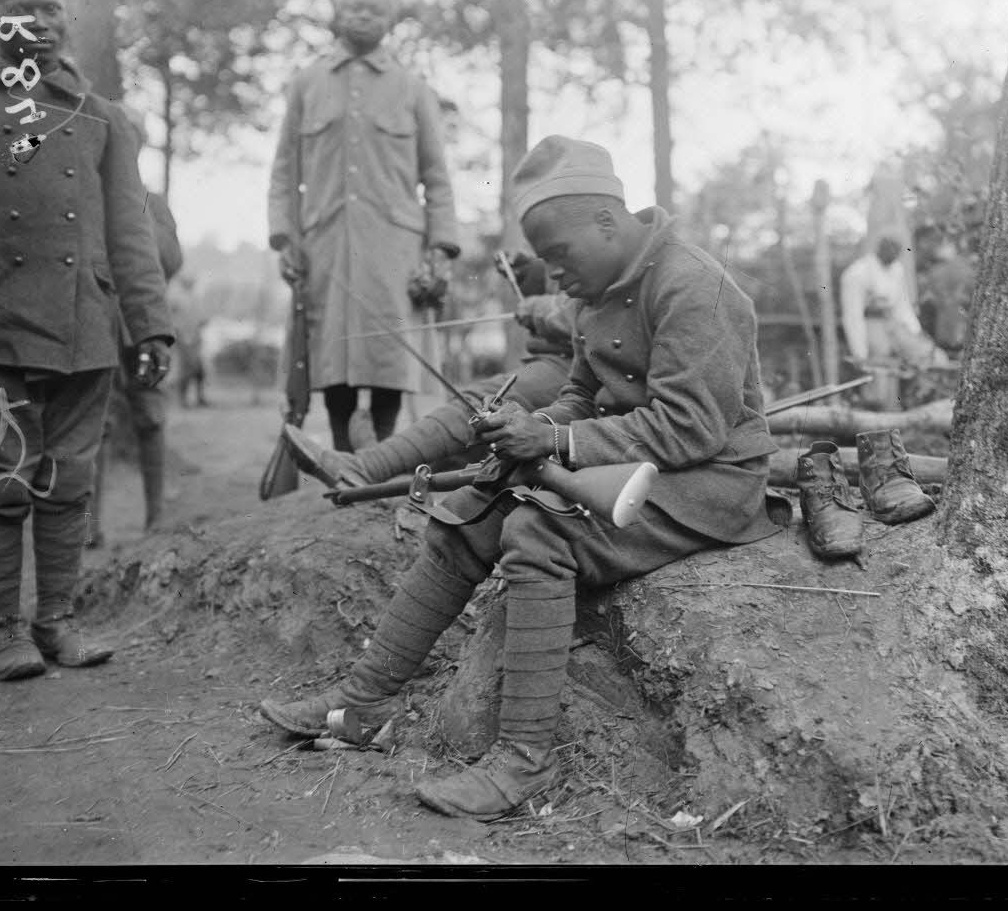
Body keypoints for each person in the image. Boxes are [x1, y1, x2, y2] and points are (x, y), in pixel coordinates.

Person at [259, 135, 782, 820]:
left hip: (709, 480)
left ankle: (522, 764)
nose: (556, 279)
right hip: (629, 461)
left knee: (541, 533)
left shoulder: (692, 284)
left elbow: (691, 428)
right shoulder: (598, 290)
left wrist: (559, 439)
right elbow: (579, 393)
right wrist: (518, 428)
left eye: (561, 258)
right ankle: (361, 703)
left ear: (608, 222)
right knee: (472, 509)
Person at [0, 0, 173, 680]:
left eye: (51, 8)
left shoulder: (101, 118)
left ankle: (55, 620)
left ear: (69, 22)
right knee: (3, 480)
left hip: (84, 326)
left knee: (68, 480)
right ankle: (1, 627)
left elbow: (131, 231)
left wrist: (150, 327)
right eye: (17, 6)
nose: (36, 20)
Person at [267, 0, 459, 453]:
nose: (363, 16)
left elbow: (437, 178)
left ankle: (381, 454)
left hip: (395, 247)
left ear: (390, 21)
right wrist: (284, 238)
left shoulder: (413, 89)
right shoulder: (306, 83)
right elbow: (283, 172)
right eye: (355, 7)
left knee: (390, 353)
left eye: (375, 10)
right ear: (339, 14)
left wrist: (440, 248)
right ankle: (343, 454)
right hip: (326, 242)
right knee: (334, 352)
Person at [298, 255, 576, 487]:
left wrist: (540, 309)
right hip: (566, 363)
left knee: (486, 401)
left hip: (575, 369)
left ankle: (366, 466)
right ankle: (385, 470)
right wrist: (534, 270)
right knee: (475, 430)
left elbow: (581, 314)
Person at [87, 106, 184, 547]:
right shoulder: (90, 195)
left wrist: (139, 222)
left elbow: (172, 261)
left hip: (142, 324)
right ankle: (88, 525)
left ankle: (156, 517)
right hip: (98, 320)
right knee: (95, 418)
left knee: (150, 416)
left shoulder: (153, 202)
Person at [840, 235, 943, 370]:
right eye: (889, 249)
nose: (893, 254)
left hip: (893, 323)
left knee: (932, 355)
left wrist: (915, 330)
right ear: (880, 248)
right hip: (870, 324)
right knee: (881, 360)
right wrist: (859, 352)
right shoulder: (857, 273)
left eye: (896, 251)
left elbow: (902, 305)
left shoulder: (896, 269)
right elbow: (853, 316)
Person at [168, 273, 209, 408]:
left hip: (195, 338)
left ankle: (200, 398)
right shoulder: (176, 298)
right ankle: (182, 399)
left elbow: (203, 319)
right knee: (185, 370)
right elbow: (171, 319)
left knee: (199, 370)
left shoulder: (196, 298)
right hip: (182, 338)